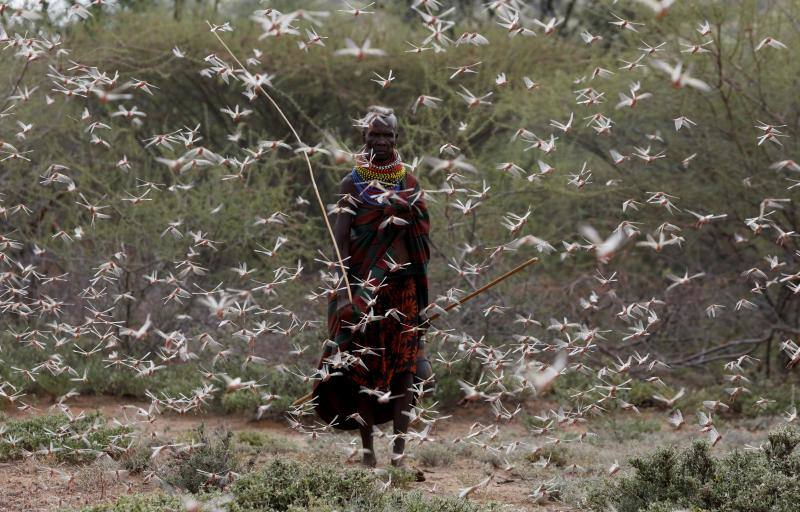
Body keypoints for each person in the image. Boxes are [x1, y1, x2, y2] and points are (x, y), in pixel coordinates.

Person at [311, 105, 432, 469]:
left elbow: (422, 236)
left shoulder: (409, 181)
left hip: (404, 287)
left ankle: (399, 456)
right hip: (366, 291)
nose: (381, 141)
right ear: (363, 137)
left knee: (406, 369)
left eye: (388, 135)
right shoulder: (353, 183)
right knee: (362, 368)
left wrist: (407, 210)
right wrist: (345, 284)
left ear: (397, 138)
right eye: (374, 135)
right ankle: (367, 453)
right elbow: (342, 235)